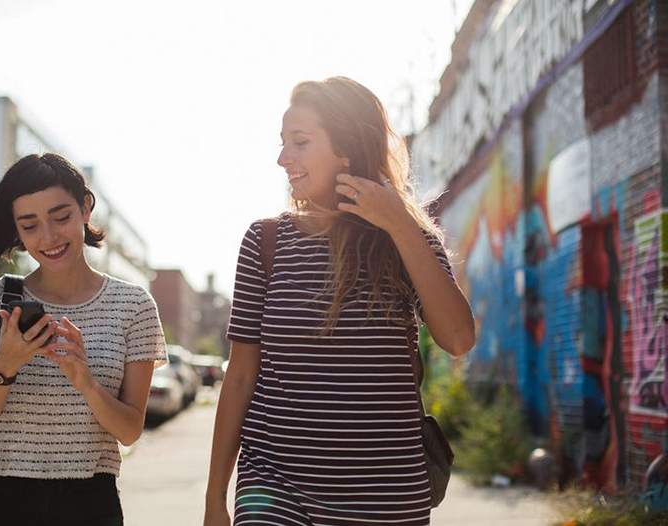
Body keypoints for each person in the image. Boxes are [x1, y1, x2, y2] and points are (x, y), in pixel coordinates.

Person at [204, 77, 475, 526]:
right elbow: (240, 375)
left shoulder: (408, 239)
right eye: (282, 143)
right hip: (273, 484)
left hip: (384, 494)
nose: (282, 158)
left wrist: (401, 227)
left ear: (346, 148)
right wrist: (216, 497)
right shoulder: (265, 241)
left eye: (300, 142)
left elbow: (459, 338)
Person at [0, 153, 166, 526]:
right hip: (1, 500)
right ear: (17, 231)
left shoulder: (134, 306)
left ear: (85, 207)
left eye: (61, 216)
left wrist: (84, 380)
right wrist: (6, 365)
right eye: (30, 224)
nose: (49, 237)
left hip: (90, 500)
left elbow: (130, 431)